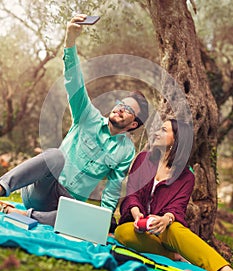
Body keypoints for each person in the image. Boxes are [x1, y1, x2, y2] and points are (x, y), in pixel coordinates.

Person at [0, 14, 149, 230]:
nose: (119, 109)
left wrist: (104, 219)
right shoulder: (87, 115)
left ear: (133, 124)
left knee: (85, 218)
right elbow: (74, 81)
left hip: (65, 206)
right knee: (55, 156)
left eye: (127, 110)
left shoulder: (125, 151)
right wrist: (70, 41)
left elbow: (112, 189)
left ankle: (22, 214)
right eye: (120, 103)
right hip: (41, 190)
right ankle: (3, 187)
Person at [114, 119, 233, 271]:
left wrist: (165, 219)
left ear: (176, 140)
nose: (156, 133)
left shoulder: (186, 176)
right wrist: (136, 214)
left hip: (165, 228)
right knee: (122, 233)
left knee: (176, 230)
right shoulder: (143, 159)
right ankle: (175, 255)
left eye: (163, 130)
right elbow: (132, 194)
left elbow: (177, 207)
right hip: (137, 225)